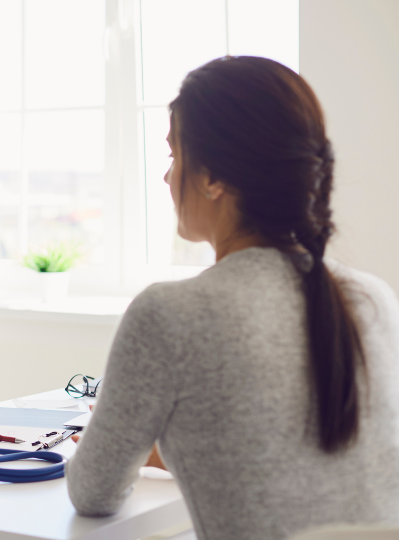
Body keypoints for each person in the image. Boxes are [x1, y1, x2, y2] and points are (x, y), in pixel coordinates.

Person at [66, 56, 399, 540]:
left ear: (211, 178)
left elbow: (93, 493)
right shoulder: (372, 297)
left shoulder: (170, 313)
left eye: (173, 156)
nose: (166, 178)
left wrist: (144, 448)